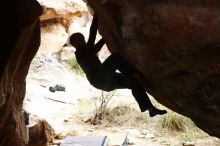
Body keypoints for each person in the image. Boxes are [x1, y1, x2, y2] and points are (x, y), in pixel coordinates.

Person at [69, 15, 167, 117]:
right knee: (115, 58)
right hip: (99, 79)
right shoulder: (80, 55)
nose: (84, 40)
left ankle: (150, 109)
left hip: (106, 80)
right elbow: (94, 50)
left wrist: (96, 16)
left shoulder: (86, 47)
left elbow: (92, 32)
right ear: (76, 44)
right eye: (81, 39)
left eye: (83, 38)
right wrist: (105, 38)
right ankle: (135, 73)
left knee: (134, 82)